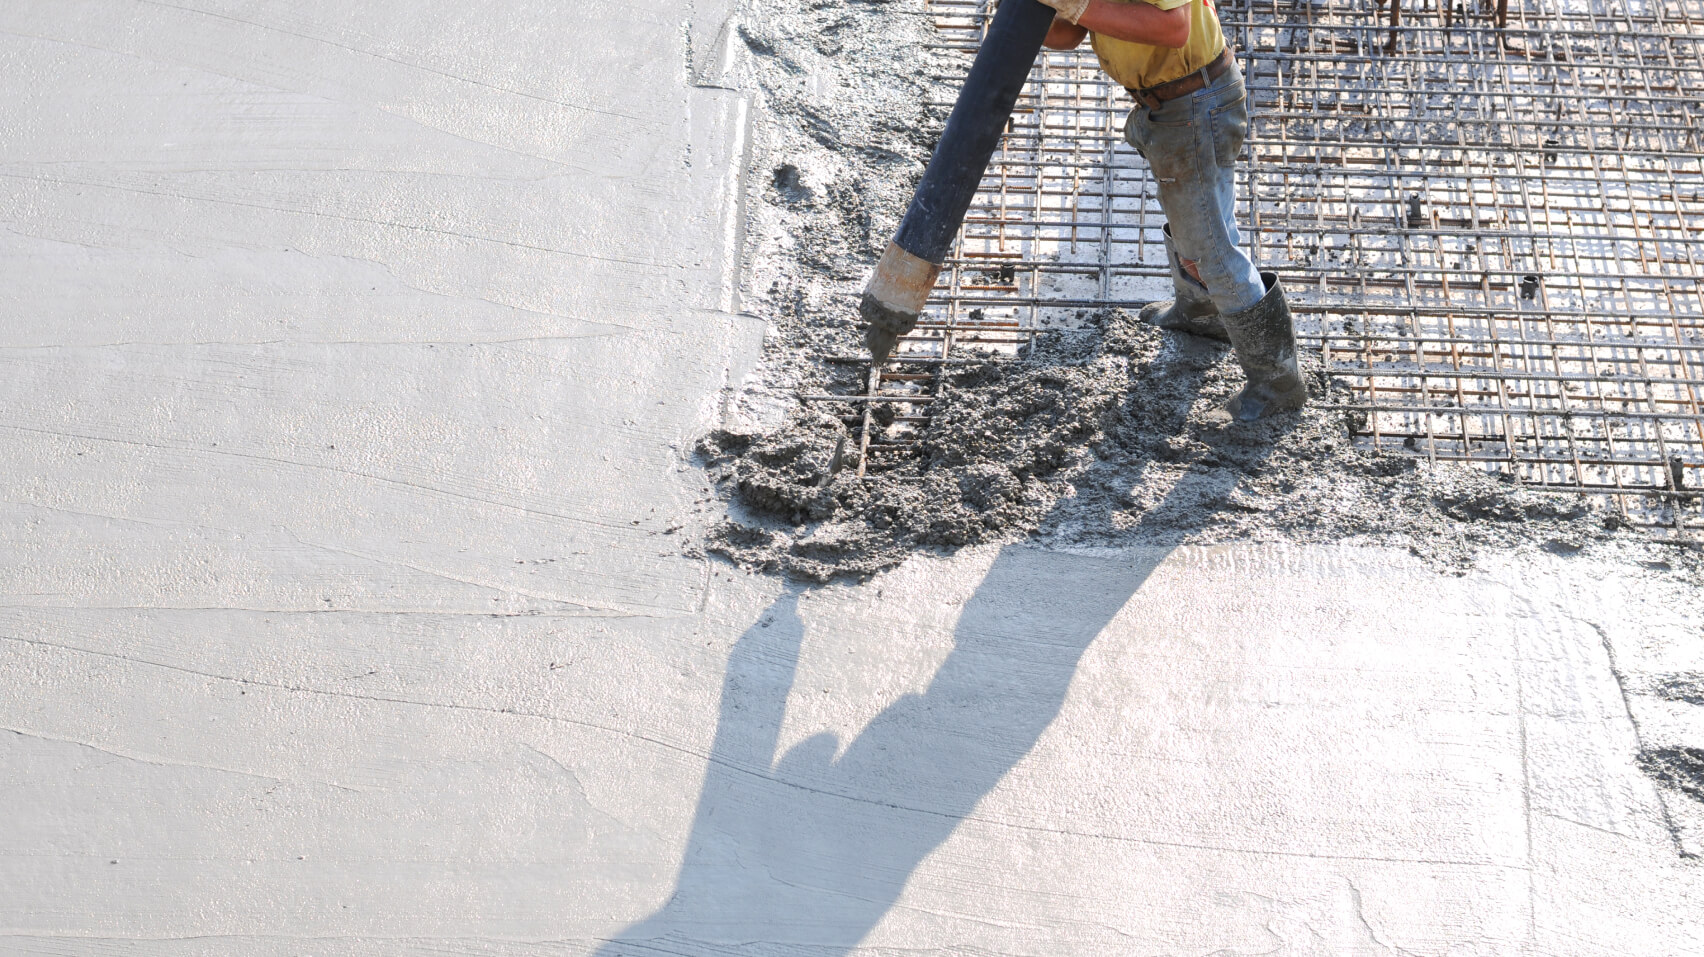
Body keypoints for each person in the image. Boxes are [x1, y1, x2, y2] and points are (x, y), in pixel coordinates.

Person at [1036, 0, 1307, 421]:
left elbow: (1174, 28)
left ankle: (1279, 384)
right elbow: (1068, 33)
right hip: (1168, 103)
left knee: (1212, 249)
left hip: (1197, 100)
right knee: (1194, 220)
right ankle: (1201, 312)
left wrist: (1079, 6)